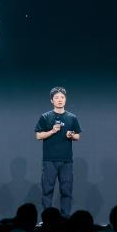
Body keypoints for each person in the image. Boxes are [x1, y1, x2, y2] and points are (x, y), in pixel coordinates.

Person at [34, 87, 82, 218]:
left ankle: (65, 218)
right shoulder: (45, 117)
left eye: (62, 97)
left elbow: (78, 136)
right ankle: (47, 219)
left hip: (66, 161)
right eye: (56, 97)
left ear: (65, 100)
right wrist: (52, 131)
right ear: (52, 100)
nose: (59, 100)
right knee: (47, 190)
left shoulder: (72, 117)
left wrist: (71, 135)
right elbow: (38, 136)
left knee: (66, 191)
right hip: (49, 160)